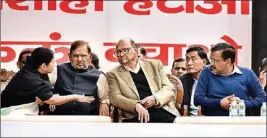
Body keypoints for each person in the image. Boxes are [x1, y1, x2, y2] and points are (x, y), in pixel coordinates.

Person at [106, 37, 180, 123]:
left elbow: (169, 89)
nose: (121, 54)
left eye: (125, 50)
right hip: (135, 116)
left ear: (136, 51)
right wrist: (135, 105)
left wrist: (155, 99)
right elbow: (115, 97)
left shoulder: (155, 65)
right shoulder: (113, 73)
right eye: (118, 52)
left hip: (161, 110)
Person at [1, 47, 92, 115]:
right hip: (9, 113)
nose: (54, 65)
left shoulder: (34, 68)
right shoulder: (32, 78)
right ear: (44, 66)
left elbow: (46, 93)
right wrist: (76, 97)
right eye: (53, 62)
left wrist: (45, 98)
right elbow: (52, 100)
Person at [194, 43, 266, 116]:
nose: (211, 64)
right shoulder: (206, 72)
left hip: (242, 122)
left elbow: (262, 99)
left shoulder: (247, 73)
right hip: (213, 122)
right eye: (211, 60)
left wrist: (242, 104)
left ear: (227, 61)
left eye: (214, 60)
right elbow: (197, 99)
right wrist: (220, 103)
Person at [51, 40, 110, 116]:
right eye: (76, 56)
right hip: (59, 119)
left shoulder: (99, 76)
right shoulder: (57, 70)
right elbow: (44, 87)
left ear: (90, 57)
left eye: (83, 56)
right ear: (70, 57)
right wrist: (51, 96)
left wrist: (104, 103)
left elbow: (104, 99)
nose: (79, 59)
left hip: (89, 122)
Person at [180, 47, 210, 116]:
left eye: (193, 59)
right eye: (187, 60)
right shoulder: (182, 80)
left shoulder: (213, 79)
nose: (189, 63)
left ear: (204, 62)